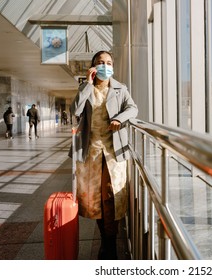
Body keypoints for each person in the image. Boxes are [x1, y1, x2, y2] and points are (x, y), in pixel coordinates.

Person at [70, 50, 138, 260]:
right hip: (91, 151)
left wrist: (119, 118)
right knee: (97, 199)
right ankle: (105, 240)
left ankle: (110, 242)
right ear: (93, 66)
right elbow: (75, 110)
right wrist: (87, 84)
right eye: (100, 62)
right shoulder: (86, 88)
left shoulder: (120, 88)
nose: (105, 65)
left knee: (112, 196)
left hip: (113, 151)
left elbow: (133, 109)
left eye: (108, 62)